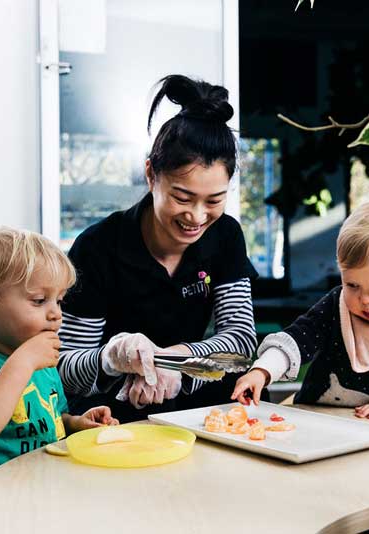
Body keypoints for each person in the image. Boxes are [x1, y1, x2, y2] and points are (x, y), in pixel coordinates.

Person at [57, 74, 259, 423]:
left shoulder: (225, 235)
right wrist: (111, 358)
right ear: (151, 174)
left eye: (214, 200)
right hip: (114, 406)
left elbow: (241, 340)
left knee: (246, 391)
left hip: (189, 394)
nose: (196, 216)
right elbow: (64, 366)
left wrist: (178, 364)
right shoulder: (98, 247)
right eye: (182, 197)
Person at [232, 201, 369, 418]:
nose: (365, 299)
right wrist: (263, 370)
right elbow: (299, 338)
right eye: (352, 285)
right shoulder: (336, 305)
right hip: (317, 419)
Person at [0, 228, 117, 489]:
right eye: (39, 300)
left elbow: (49, 422)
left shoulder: (41, 365)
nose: (56, 314)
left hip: (44, 487)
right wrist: (23, 362)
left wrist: (75, 424)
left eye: (58, 301)